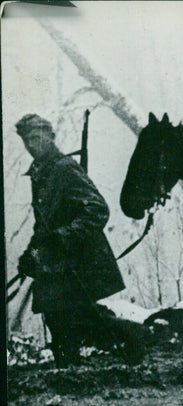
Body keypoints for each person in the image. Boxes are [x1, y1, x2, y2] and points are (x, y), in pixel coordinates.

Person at [15, 113, 146, 367]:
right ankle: (69, 369)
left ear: (50, 137)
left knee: (74, 315)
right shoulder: (41, 173)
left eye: (35, 138)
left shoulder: (65, 168)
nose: (31, 145)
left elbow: (98, 209)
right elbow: (44, 223)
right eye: (26, 141)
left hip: (76, 261)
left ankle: (130, 335)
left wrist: (63, 237)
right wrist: (30, 254)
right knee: (58, 316)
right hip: (57, 260)